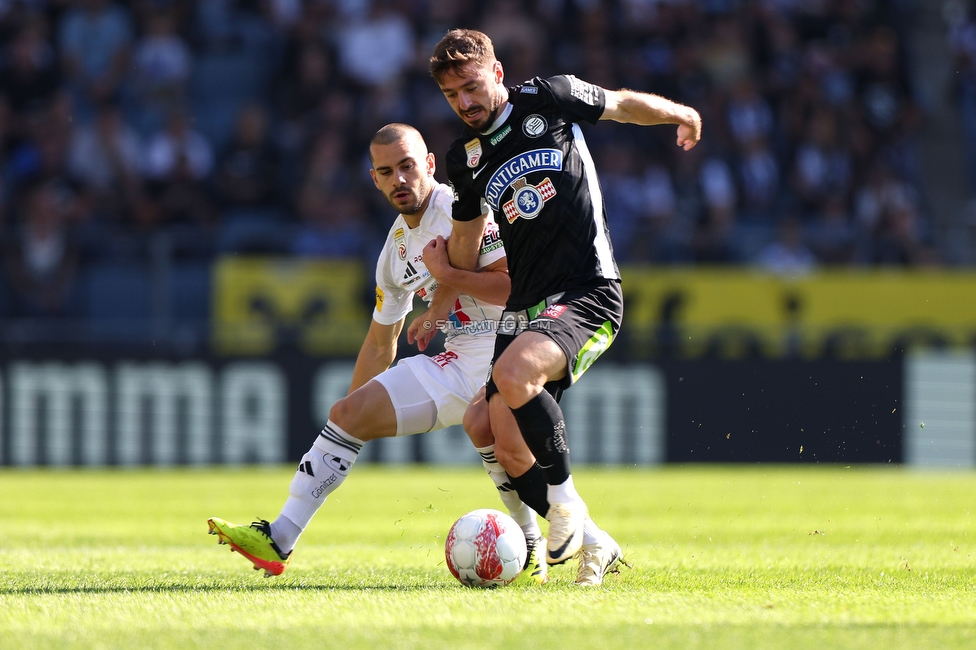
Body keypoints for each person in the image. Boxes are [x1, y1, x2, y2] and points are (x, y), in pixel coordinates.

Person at [207, 123, 548, 584]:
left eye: (408, 166)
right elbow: (379, 341)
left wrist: (446, 279)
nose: (399, 179)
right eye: (387, 171)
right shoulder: (394, 253)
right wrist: (345, 425)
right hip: (460, 359)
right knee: (349, 411)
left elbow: (516, 286)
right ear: (375, 179)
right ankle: (278, 539)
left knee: (499, 442)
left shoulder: (463, 210)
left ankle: (547, 541)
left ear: (429, 164)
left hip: (514, 347)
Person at [421, 29, 701, 583]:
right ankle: (595, 542)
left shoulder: (549, 97)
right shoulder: (466, 158)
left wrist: (679, 113)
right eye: (453, 97)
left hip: (586, 288)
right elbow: (466, 242)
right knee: (485, 426)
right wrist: (442, 293)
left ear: (497, 73)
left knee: (514, 372)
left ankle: (567, 505)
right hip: (525, 307)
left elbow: (621, 105)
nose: (466, 104)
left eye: (472, 88)